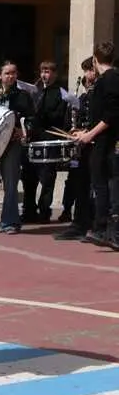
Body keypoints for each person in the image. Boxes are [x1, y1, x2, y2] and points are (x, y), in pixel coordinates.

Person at [0, 61, 34, 234]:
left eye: (14, 73)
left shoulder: (23, 96)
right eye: (7, 73)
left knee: (10, 183)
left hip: (11, 143)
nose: (11, 76)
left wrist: (23, 130)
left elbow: (32, 118)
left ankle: (10, 222)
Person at [74, 42, 119, 248]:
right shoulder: (111, 79)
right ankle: (108, 230)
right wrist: (86, 131)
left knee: (102, 185)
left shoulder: (108, 80)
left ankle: (102, 228)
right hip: (103, 139)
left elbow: (111, 114)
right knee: (106, 185)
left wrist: (90, 134)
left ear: (95, 59)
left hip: (105, 142)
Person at [55, 57, 97, 240]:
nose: (86, 75)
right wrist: (75, 130)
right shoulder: (84, 95)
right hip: (83, 145)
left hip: (96, 145)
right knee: (77, 182)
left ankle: (95, 224)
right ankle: (79, 222)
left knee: (96, 187)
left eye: (89, 70)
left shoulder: (101, 92)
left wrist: (86, 131)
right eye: (85, 71)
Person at [22, 61, 68, 223]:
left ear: (55, 74)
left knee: (47, 178)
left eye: (47, 72)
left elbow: (58, 115)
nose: (44, 75)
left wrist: (40, 111)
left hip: (49, 137)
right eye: (42, 72)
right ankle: (29, 210)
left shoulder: (61, 92)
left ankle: (44, 210)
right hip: (33, 138)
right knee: (28, 176)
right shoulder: (36, 90)